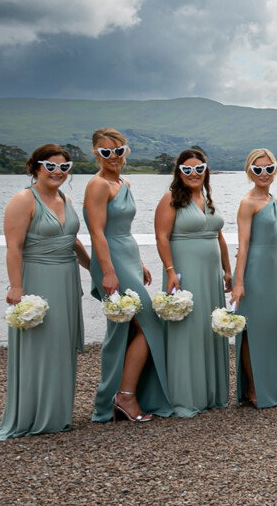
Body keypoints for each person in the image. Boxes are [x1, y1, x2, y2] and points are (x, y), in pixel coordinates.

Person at [0, 144, 91, 440]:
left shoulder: (66, 198)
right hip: (37, 277)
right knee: (40, 345)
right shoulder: (24, 200)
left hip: (66, 278)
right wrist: (16, 285)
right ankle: (32, 415)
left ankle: (57, 415)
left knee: (62, 344)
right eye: (51, 166)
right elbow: (14, 247)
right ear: (36, 167)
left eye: (64, 166)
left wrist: (93, 269)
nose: (58, 172)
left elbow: (72, 241)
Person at [84, 128, 171, 423]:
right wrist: (108, 271)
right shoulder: (97, 185)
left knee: (133, 329)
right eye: (106, 152)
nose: (113, 157)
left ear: (126, 152)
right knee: (150, 327)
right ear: (96, 154)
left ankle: (125, 396)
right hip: (111, 261)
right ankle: (124, 397)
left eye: (119, 151)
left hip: (127, 256)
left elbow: (123, 230)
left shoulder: (124, 182)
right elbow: (97, 232)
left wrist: (139, 262)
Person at [155, 149, 232, 417]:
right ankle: (186, 397)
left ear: (205, 171)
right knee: (187, 331)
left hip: (211, 274)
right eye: (187, 170)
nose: (194, 174)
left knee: (209, 328)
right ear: (179, 173)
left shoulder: (208, 198)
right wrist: (170, 271)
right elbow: (162, 238)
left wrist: (227, 270)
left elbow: (219, 236)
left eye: (199, 169)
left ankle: (211, 394)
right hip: (186, 271)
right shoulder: (170, 200)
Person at [231, 149, 277, 409]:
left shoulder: (276, 201)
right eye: (257, 169)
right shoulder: (248, 202)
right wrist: (238, 283)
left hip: (271, 271)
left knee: (273, 327)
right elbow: (243, 245)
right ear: (249, 171)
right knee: (251, 331)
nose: (264, 173)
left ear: (275, 169)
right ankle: (253, 389)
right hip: (253, 272)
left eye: (268, 168)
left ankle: (269, 386)